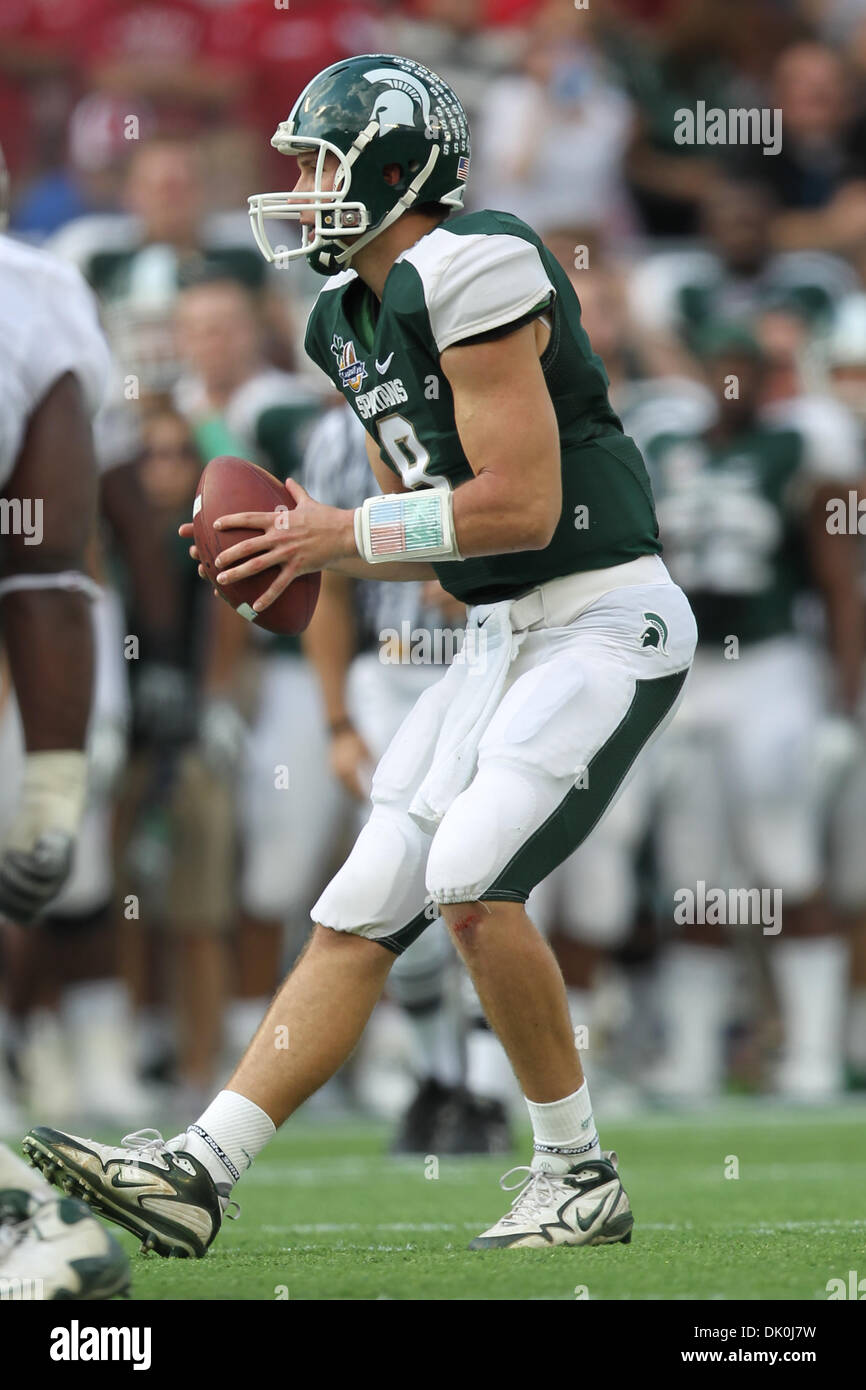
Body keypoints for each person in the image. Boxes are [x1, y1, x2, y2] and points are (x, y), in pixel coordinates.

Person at [27, 53, 696, 1256]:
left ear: (393, 169)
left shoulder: (474, 261)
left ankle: (576, 1173)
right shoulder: (342, 315)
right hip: (498, 634)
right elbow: (430, 544)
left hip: (601, 614)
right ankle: (198, 1169)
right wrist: (294, 548)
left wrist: (337, 534)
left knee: (471, 878)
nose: (298, 189)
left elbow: (522, 507)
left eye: (317, 164)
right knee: (359, 902)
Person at [0, 190, 130, 1298]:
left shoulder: (31, 296)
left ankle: (26, 1221)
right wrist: (50, 783)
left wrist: (50, 784)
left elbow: (44, 566)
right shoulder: (32, 294)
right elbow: (42, 570)